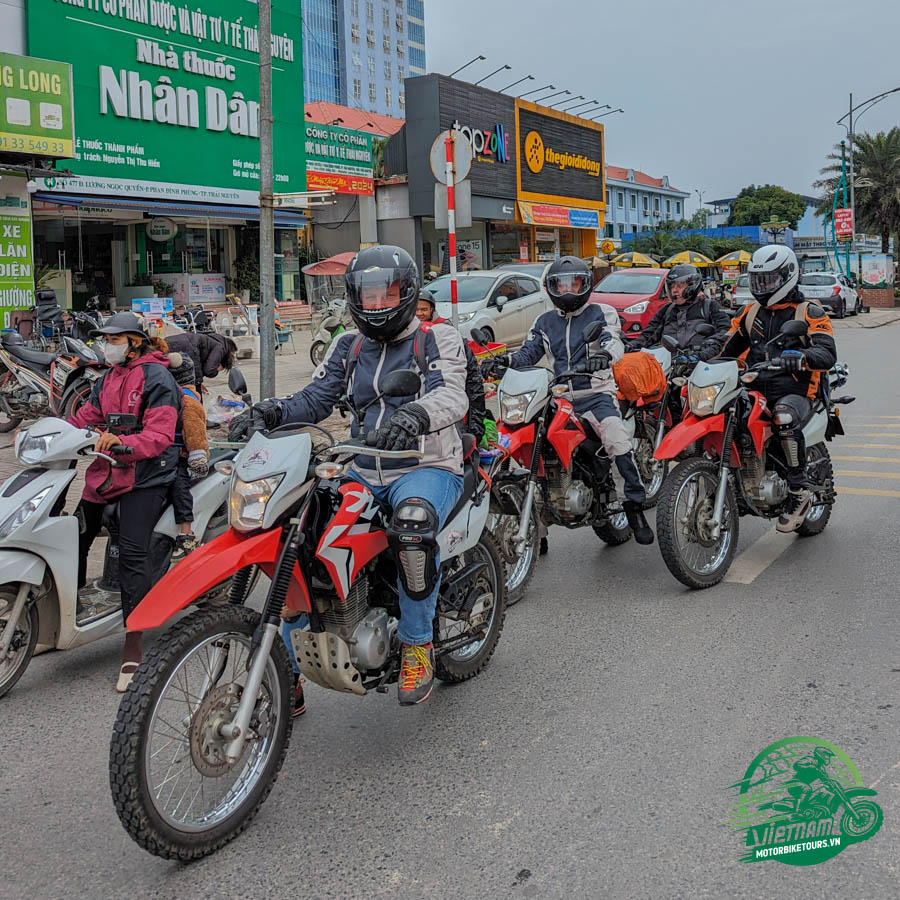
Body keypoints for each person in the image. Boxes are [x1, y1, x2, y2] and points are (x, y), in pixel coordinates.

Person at [231, 245, 468, 708]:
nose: (377, 304)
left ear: (409, 291)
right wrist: (271, 411)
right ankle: (285, 670)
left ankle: (418, 644)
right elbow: (316, 398)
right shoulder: (348, 344)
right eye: (369, 295)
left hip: (426, 465)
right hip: (359, 466)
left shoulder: (439, 339)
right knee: (299, 533)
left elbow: (452, 395)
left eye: (388, 294)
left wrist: (415, 415)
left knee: (414, 523)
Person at [481, 256, 654, 545]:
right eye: (560, 284)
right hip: (558, 396)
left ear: (584, 284)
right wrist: (503, 361)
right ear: (550, 288)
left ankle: (634, 507)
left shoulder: (602, 312)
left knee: (616, 440)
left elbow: (614, 340)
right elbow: (528, 352)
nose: (566, 290)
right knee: (527, 442)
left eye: (572, 283)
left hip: (596, 396)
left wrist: (605, 356)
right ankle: (538, 529)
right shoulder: (544, 320)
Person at [68, 312, 181, 691]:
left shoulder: (157, 378)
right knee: (74, 536)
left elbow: (161, 434)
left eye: (114, 340)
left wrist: (123, 443)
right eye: (105, 340)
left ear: (134, 342)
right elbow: (88, 415)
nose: (107, 346)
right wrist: (55, 431)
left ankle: (134, 641)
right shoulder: (107, 379)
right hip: (105, 472)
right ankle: (72, 611)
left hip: (145, 475)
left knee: (133, 554)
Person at [720, 245, 837, 532]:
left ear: (788, 276)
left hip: (795, 392)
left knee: (783, 417)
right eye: (759, 280)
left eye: (770, 280)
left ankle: (798, 491)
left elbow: (827, 353)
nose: (763, 286)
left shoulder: (808, 311)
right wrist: (698, 356)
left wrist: (802, 356)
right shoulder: (750, 313)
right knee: (723, 412)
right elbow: (727, 348)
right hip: (755, 386)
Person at [415, 290, 486, 443]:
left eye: (424, 309)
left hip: (447, 407)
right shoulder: (404, 335)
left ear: (432, 310)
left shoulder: (447, 333)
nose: (419, 313)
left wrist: (475, 422)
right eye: (416, 309)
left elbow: (472, 376)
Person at [627, 263, 731, 358]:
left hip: (700, 364)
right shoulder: (666, 310)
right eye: (672, 286)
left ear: (693, 286)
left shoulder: (710, 306)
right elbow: (648, 335)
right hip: (668, 365)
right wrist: (630, 346)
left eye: (680, 286)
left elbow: (725, 331)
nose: (674, 290)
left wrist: (707, 351)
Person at [166, 353, 210, 560]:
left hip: (180, 455)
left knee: (179, 487)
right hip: (163, 451)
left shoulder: (187, 401)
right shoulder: (169, 394)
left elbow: (194, 433)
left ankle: (186, 533)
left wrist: (197, 455)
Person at [165, 330, 238, 391]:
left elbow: (199, 363)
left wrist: (199, 383)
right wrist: (218, 368)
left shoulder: (210, 341)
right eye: (232, 354)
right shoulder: (220, 348)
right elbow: (209, 370)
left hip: (166, 344)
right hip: (179, 348)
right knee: (194, 397)